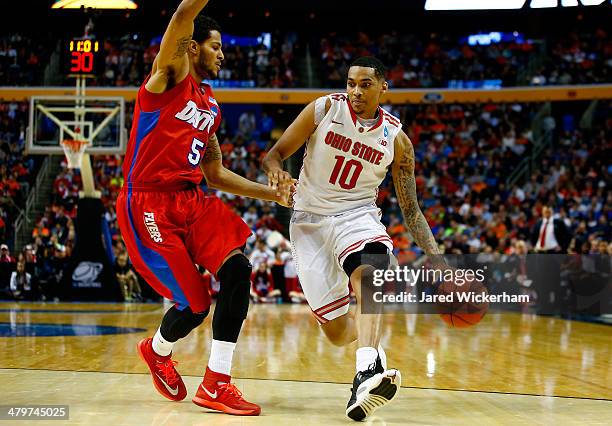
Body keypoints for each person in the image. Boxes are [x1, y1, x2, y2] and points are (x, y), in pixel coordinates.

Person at [116, 0, 293, 417]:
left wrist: (273, 195)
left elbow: (214, 174)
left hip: (192, 199)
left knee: (238, 269)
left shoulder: (210, 107)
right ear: (191, 48)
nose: (222, 54)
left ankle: (217, 382)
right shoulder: (166, 80)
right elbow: (181, 17)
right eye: (215, 46)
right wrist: (189, 17)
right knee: (194, 306)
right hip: (148, 202)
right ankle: (158, 350)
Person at [264, 56, 442, 421]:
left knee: (370, 270)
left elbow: (411, 210)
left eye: (364, 84)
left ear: (382, 88)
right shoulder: (324, 109)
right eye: (351, 83)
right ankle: (373, 354)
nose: (356, 91)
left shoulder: (396, 139)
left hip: (357, 216)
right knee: (337, 332)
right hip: (310, 220)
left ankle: (365, 370)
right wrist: (276, 173)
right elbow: (275, 154)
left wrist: (437, 257)